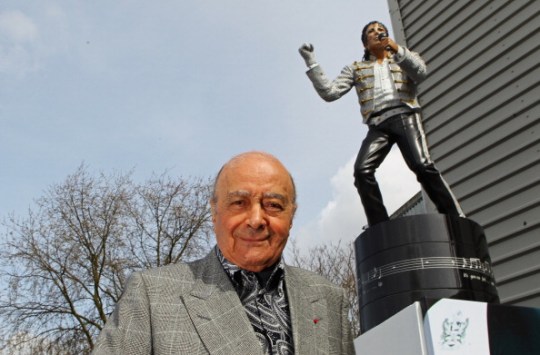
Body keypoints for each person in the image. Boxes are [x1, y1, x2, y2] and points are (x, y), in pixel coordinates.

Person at [92, 151, 354, 355]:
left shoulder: (329, 299)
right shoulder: (152, 295)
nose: (256, 219)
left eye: (273, 205)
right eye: (239, 203)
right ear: (214, 212)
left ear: (292, 215)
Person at [299, 21, 465, 227]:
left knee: (421, 165)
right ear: (365, 45)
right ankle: (379, 225)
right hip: (378, 125)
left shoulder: (402, 59)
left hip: (404, 116)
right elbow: (330, 93)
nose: (378, 33)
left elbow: (420, 73)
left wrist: (397, 49)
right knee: (362, 171)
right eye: (372, 31)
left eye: (381, 30)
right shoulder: (357, 68)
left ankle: (454, 216)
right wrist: (312, 62)